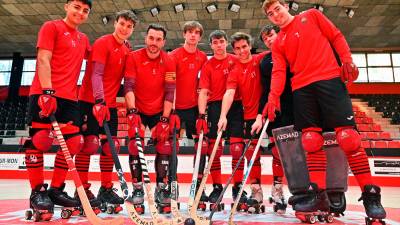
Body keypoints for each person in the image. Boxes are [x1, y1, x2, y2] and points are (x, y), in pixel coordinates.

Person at [262, 0, 386, 220]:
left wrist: (347, 60)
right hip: (301, 88)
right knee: (310, 140)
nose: (276, 15)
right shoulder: (279, 41)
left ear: (286, 7)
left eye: (277, 9)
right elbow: (279, 72)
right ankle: (318, 195)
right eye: (271, 14)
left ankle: (371, 195)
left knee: (348, 138)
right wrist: (273, 98)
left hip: (329, 79)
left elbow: (336, 36)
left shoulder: (311, 16)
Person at [24, 0, 92, 221]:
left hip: (70, 98)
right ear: (66, 6)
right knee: (41, 140)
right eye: (77, 7)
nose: (80, 13)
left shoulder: (83, 39)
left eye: (85, 11)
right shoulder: (51, 27)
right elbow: (43, 58)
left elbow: (98, 56)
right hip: (45, 92)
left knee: (73, 143)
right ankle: (37, 192)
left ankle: (55, 189)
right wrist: (47, 91)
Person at [75, 10, 137, 213]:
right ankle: (81, 190)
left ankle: (106, 188)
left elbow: (127, 82)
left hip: (109, 104)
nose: (124, 28)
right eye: (122, 24)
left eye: (129, 26)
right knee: (88, 145)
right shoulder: (103, 43)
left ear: (132, 29)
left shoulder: (127, 49)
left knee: (112, 147)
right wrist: (99, 101)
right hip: (89, 101)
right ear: (115, 23)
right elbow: (96, 75)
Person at [124, 23, 176, 213]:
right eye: (151, 38)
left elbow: (170, 92)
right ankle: (137, 189)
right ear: (146, 38)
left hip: (158, 110)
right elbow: (128, 86)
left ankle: (161, 189)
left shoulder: (169, 60)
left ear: (164, 42)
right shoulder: (133, 57)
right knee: (133, 145)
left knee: (164, 145)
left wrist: (164, 119)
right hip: (137, 108)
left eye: (158, 39)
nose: (154, 43)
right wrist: (131, 112)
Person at [217, 32, 269, 213]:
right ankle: (245, 189)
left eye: (244, 47)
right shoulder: (235, 70)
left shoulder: (260, 59)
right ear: (234, 50)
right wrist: (223, 116)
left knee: (258, 155)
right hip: (246, 116)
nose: (241, 51)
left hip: (264, 115)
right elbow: (229, 93)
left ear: (250, 46)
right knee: (241, 152)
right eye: (237, 48)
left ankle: (264, 191)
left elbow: (277, 50)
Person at [198, 30, 245, 208]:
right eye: (215, 42)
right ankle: (217, 187)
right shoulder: (208, 66)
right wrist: (202, 115)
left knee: (237, 148)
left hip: (236, 106)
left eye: (221, 41)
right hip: (216, 107)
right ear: (211, 45)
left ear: (226, 43)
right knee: (214, 149)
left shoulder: (236, 59)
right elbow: (203, 92)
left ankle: (238, 187)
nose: (219, 45)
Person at [169, 21, 208, 203]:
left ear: (200, 37)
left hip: (194, 109)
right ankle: (170, 186)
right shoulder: (174, 55)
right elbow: (171, 85)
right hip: (176, 108)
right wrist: (173, 109)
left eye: (196, 33)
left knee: (202, 146)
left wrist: (201, 114)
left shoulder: (202, 57)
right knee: (169, 147)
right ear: (184, 34)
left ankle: (198, 187)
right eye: (190, 32)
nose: (193, 35)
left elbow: (203, 87)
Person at [259, 25, 294, 214]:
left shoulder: (293, 50)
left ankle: (302, 190)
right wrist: (264, 109)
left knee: (298, 153)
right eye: (265, 39)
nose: (269, 40)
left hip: (296, 107)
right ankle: (277, 189)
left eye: (271, 35)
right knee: (277, 153)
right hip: (275, 110)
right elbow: (265, 89)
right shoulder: (265, 62)